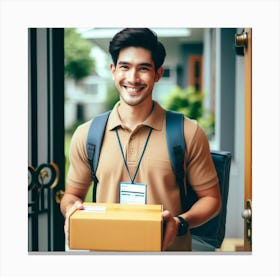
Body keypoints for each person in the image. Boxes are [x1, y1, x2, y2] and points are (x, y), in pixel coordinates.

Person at [60, 28, 221, 251]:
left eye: (143, 68)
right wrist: (72, 210)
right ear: (113, 70)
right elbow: (71, 195)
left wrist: (180, 223)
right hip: (106, 259)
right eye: (125, 67)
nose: (133, 78)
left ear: (157, 74)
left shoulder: (188, 132)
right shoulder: (87, 134)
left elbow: (212, 200)